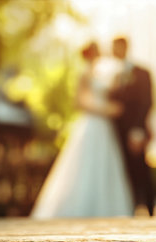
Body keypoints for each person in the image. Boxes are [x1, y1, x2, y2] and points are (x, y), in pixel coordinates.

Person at [31, 42, 134, 218]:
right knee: (85, 165)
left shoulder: (103, 74)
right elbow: (79, 102)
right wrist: (106, 110)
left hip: (105, 127)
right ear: (91, 53)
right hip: (92, 123)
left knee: (104, 165)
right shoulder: (85, 74)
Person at [109, 37, 156, 216]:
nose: (115, 51)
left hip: (134, 131)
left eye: (117, 47)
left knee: (140, 168)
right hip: (113, 132)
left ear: (125, 47)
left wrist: (138, 130)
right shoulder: (109, 73)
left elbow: (147, 102)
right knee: (123, 170)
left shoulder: (142, 72)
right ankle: (129, 208)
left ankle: (149, 208)